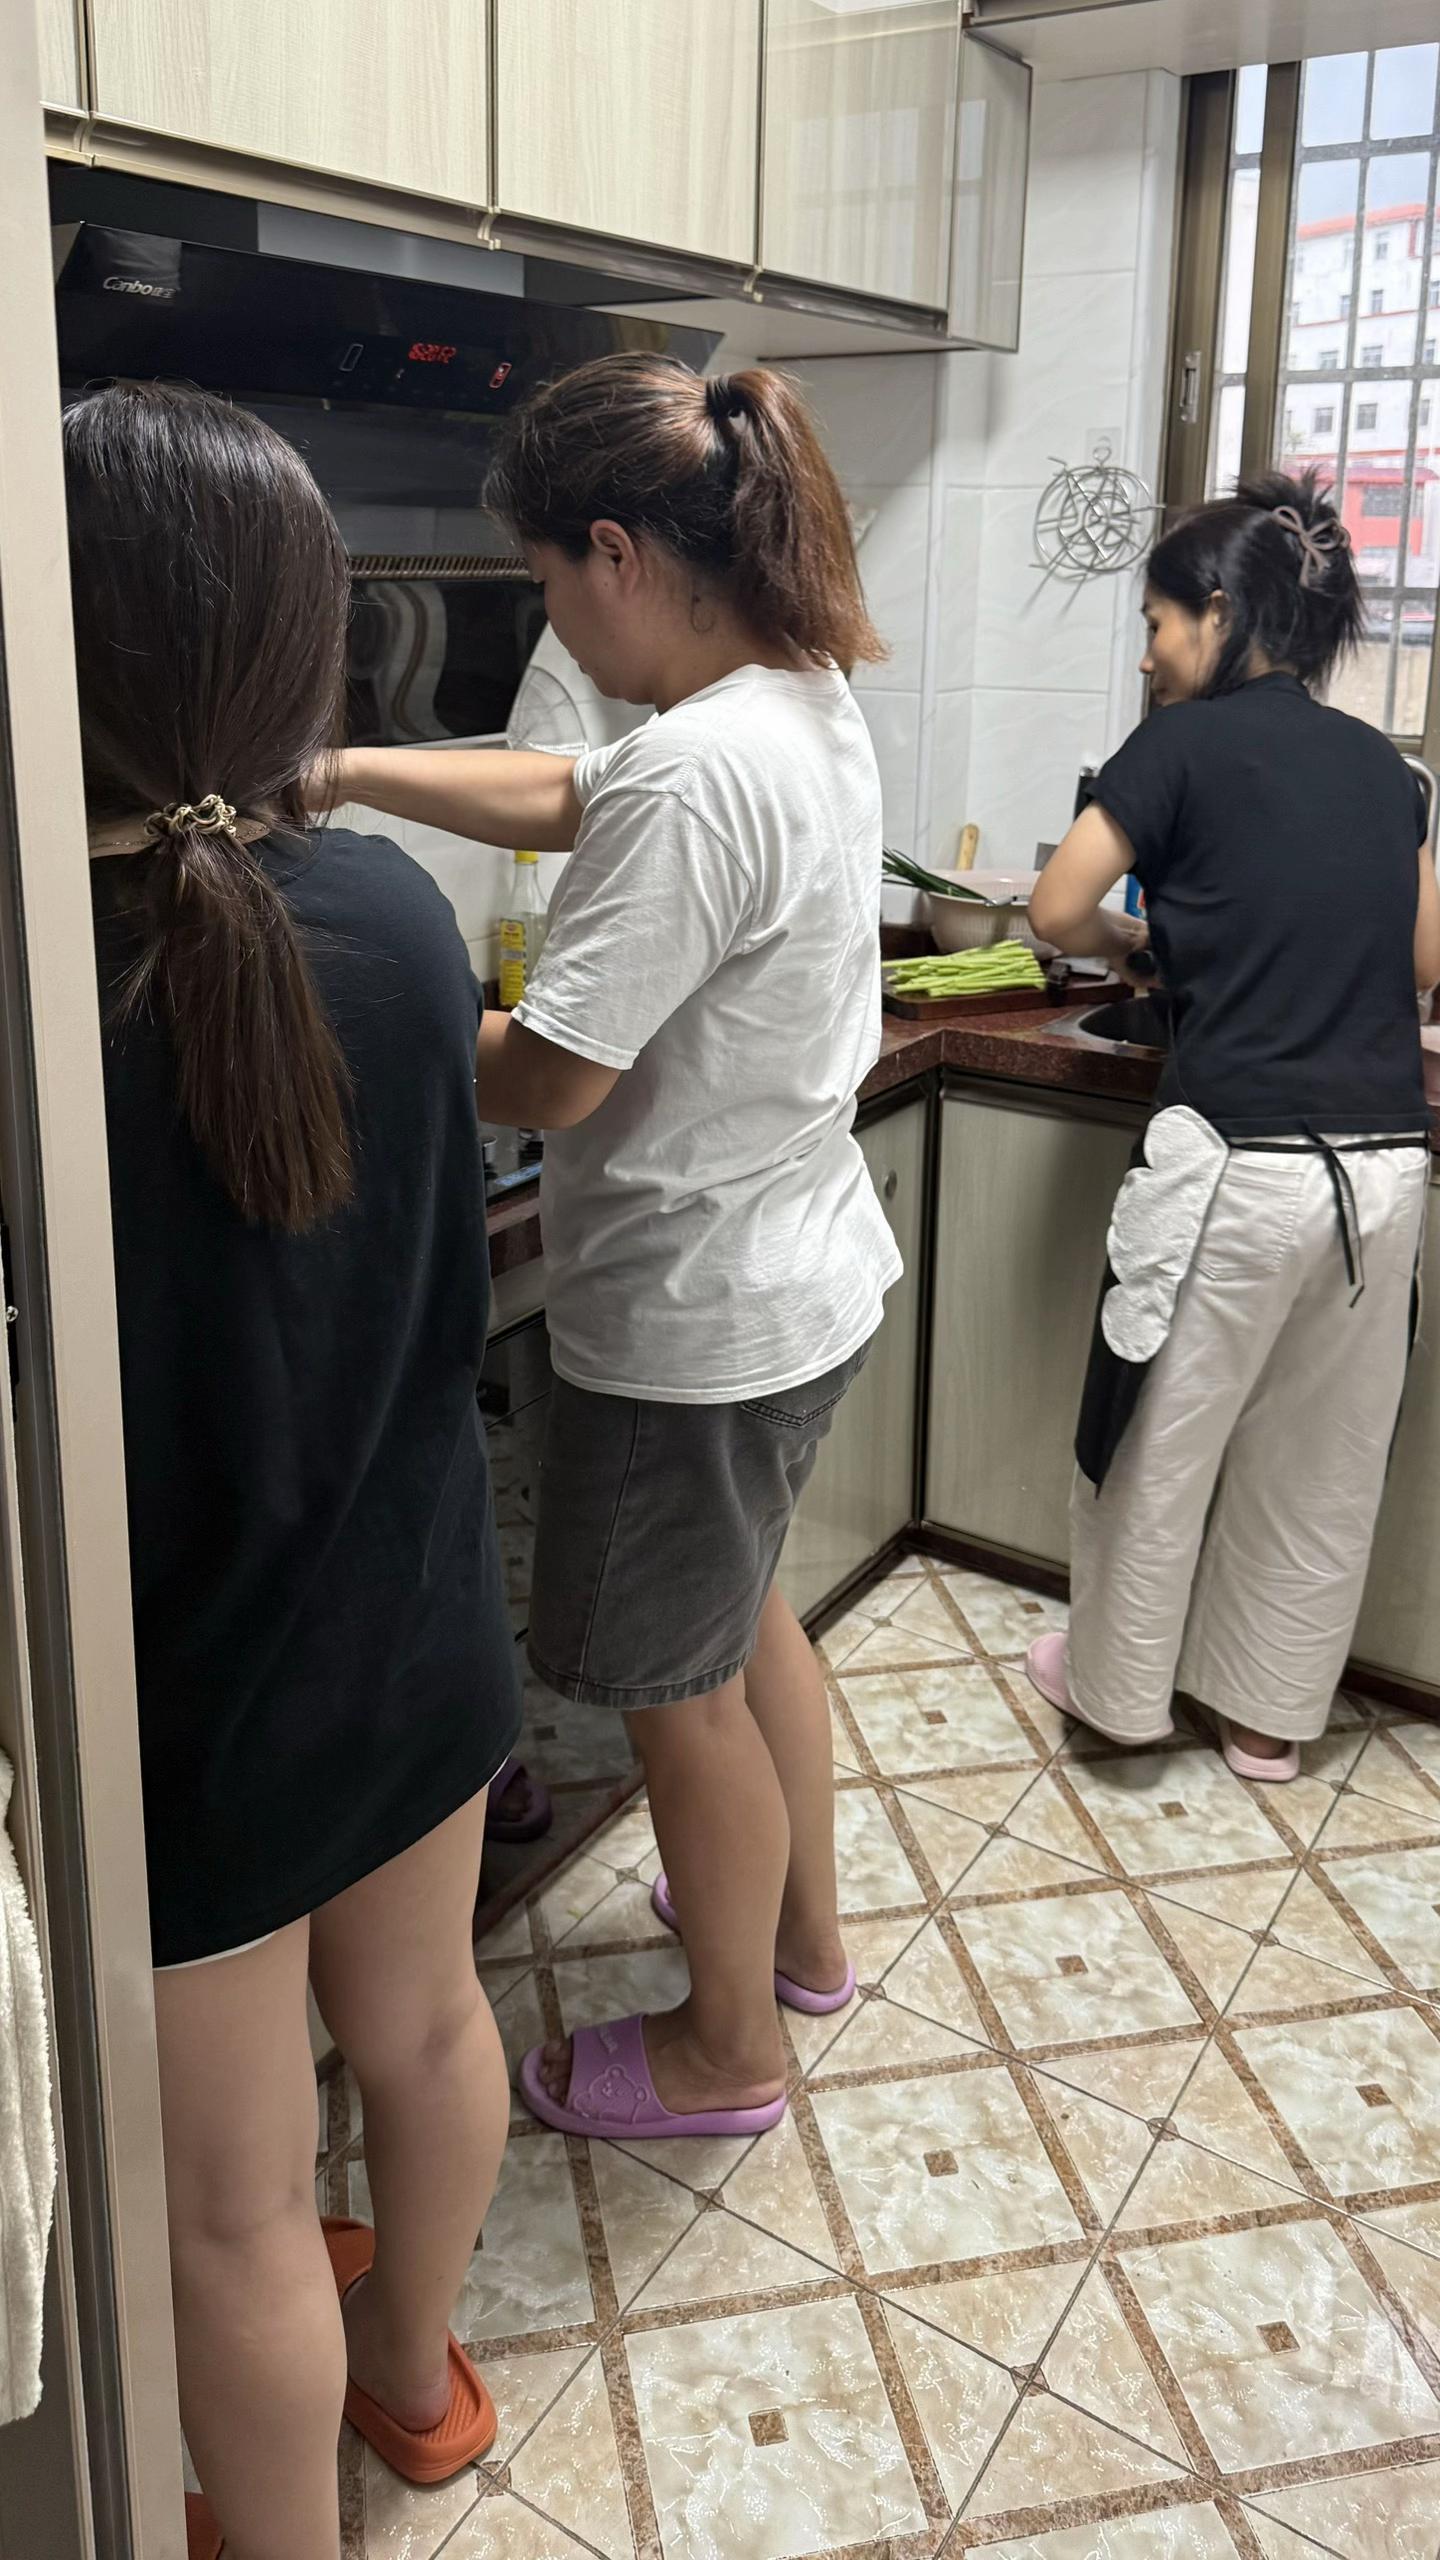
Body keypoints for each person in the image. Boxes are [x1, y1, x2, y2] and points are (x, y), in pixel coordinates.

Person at [325, 352, 901, 2142]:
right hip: (799, 1271)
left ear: (617, 556)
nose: (555, 621)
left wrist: (369, 1006)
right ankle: (801, 1942)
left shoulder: (698, 771)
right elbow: (575, 790)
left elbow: (552, 1076)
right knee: (744, 1626)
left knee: (679, 1700)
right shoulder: (793, 695)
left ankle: (731, 2052)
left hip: (693, 1321)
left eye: (548, 584)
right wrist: (341, 769)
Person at [68, 383, 521, 2560]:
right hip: (417, 1611)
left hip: (200, 1694)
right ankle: (416, 2384)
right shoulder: (402, 919)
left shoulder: (54, 977)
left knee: (232, 2208)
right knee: (427, 2030)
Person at [1027, 468, 1440, 1781]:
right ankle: (1267, 1721)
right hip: (1383, 1170)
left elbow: (1055, 909)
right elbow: (1426, 958)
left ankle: (1120, 1699)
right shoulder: (1387, 769)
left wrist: (1139, 946)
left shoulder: (1177, 747)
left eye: (1156, 625)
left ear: (1218, 614)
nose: (1149, 657)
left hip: (1234, 1166)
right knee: (1324, 1457)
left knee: (1158, 1439)